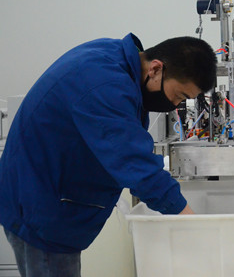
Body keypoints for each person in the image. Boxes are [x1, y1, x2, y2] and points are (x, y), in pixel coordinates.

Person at [0, 33, 216, 277]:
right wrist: (191, 225)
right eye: (179, 96)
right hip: (41, 207)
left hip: (47, 192)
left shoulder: (117, 60)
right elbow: (134, 164)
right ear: (156, 69)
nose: (175, 105)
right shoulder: (104, 84)